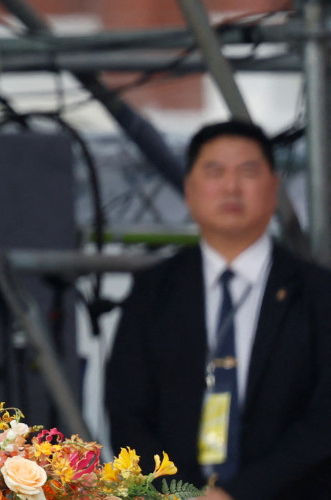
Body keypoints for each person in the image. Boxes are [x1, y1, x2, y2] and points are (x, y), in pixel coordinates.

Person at [106, 121, 331, 499]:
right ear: (190, 191)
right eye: (214, 172)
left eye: (248, 172)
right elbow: (127, 414)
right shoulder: (153, 292)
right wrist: (186, 494)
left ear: (274, 188)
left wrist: (238, 494)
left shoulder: (318, 293)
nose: (231, 187)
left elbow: (325, 421)